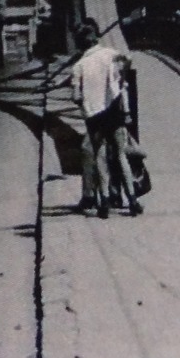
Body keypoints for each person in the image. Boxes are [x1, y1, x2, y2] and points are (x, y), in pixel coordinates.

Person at [71, 17, 142, 218]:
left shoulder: (79, 66)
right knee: (121, 156)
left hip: (94, 116)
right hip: (114, 112)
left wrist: (83, 99)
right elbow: (128, 60)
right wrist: (120, 80)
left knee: (99, 157)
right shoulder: (111, 55)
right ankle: (133, 201)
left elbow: (76, 96)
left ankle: (103, 203)